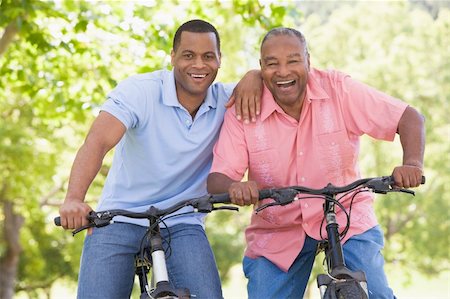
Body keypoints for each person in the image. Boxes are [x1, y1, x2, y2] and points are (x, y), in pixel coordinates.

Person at [207, 27, 425, 298]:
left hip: (346, 214)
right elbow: (218, 178)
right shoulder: (245, 107)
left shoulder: (338, 89)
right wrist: (234, 187)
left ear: (308, 60)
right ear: (261, 67)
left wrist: (412, 164)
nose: (283, 71)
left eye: (293, 61)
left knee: (376, 293)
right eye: (272, 64)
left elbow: (409, 117)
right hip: (278, 227)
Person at [58, 19, 263, 299]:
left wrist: (255, 74)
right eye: (188, 55)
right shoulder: (140, 91)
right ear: (172, 57)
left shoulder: (228, 100)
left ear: (219, 61)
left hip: (183, 220)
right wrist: (73, 198)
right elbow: (97, 143)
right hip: (119, 216)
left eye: (208, 56)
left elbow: (269, 83)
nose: (199, 65)